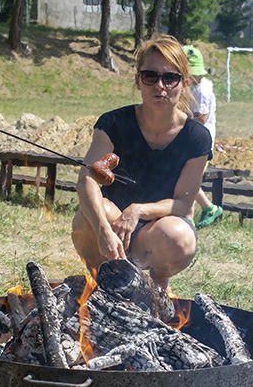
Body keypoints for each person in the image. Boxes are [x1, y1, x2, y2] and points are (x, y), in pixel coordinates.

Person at [71, 34, 212, 291]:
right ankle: (101, 282)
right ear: (138, 81)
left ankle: (157, 285)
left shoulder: (196, 137)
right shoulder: (112, 124)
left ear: (184, 84)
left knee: (178, 237)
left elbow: (182, 203)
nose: (160, 85)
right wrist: (103, 229)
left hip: (161, 228)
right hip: (114, 225)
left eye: (170, 77)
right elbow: (86, 181)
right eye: (150, 76)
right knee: (87, 217)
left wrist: (138, 210)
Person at [183, 44, 222, 229]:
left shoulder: (202, 90)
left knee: (188, 180)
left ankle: (201, 212)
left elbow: (202, 119)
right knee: (185, 179)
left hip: (200, 143)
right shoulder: (193, 87)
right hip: (190, 141)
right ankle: (201, 211)